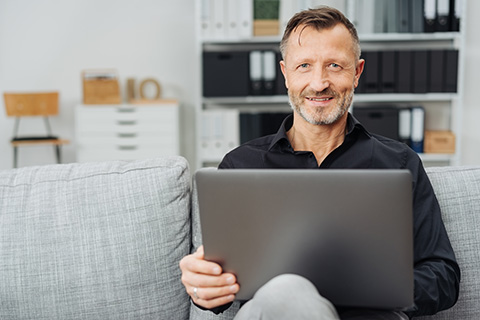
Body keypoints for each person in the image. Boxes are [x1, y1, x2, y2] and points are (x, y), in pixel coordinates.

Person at [180, 6, 460, 319]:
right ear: (286, 74)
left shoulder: (399, 163)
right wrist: (203, 287)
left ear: (357, 72)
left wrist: (375, 287)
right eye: (304, 66)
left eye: (335, 66)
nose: (318, 82)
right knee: (285, 292)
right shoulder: (240, 166)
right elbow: (217, 293)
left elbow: (443, 277)